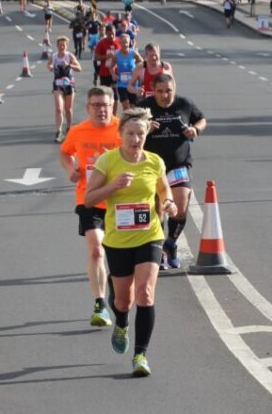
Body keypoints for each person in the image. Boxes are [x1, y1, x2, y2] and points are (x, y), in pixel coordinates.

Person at [84, 107, 177, 377]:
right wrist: (113, 187)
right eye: (131, 134)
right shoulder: (108, 161)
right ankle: (122, 322)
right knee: (124, 301)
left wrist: (168, 202)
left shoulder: (154, 161)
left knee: (145, 293)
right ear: (121, 134)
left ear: (147, 134)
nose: (136, 139)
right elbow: (89, 199)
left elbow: (163, 189)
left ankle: (140, 355)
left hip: (150, 235)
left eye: (141, 134)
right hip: (118, 240)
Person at [59, 87, 120, 329]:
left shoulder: (122, 129)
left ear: (112, 106)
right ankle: (100, 304)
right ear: (88, 108)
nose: (101, 109)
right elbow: (65, 153)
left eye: (105, 105)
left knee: (118, 256)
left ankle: (116, 286)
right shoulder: (78, 131)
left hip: (119, 200)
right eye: (96, 105)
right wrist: (70, 169)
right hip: (89, 199)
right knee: (96, 250)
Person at [139, 74, 205, 270]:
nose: (164, 95)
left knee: (181, 206)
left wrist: (195, 129)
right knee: (157, 210)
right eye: (160, 91)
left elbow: (201, 120)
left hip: (179, 164)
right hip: (152, 167)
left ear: (174, 89)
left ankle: (171, 243)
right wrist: (145, 127)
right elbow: (128, 130)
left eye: (168, 91)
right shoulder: (144, 106)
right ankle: (158, 249)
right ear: (153, 91)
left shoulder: (184, 104)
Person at [50, 36, 83, 142]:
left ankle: (69, 127)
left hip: (69, 84)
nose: (62, 47)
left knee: (68, 109)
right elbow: (49, 65)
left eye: (64, 45)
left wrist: (69, 65)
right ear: (57, 46)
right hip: (58, 85)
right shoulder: (54, 56)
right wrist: (51, 67)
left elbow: (79, 68)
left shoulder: (69, 56)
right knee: (59, 108)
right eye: (60, 45)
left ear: (67, 46)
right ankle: (58, 131)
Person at [113, 34, 144, 113]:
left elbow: (143, 64)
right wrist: (113, 74)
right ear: (119, 43)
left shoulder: (133, 53)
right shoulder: (116, 54)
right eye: (122, 42)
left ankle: (132, 120)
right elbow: (111, 66)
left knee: (133, 108)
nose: (125, 44)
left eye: (126, 42)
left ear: (129, 42)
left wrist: (136, 70)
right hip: (121, 84)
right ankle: (127, 120)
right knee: (126, 106)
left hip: (133, 84)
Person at [94, 25, 119, 97]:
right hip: (104, 72)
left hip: (116, 72)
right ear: (106, 33)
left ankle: (115, 104)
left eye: (113, 33)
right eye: (109, 34)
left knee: (115, 94)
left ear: (115, 32)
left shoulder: (119, 41)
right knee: (104, 94)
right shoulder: (101, 43)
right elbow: (96, 57)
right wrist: (106, 56)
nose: (111, 36)